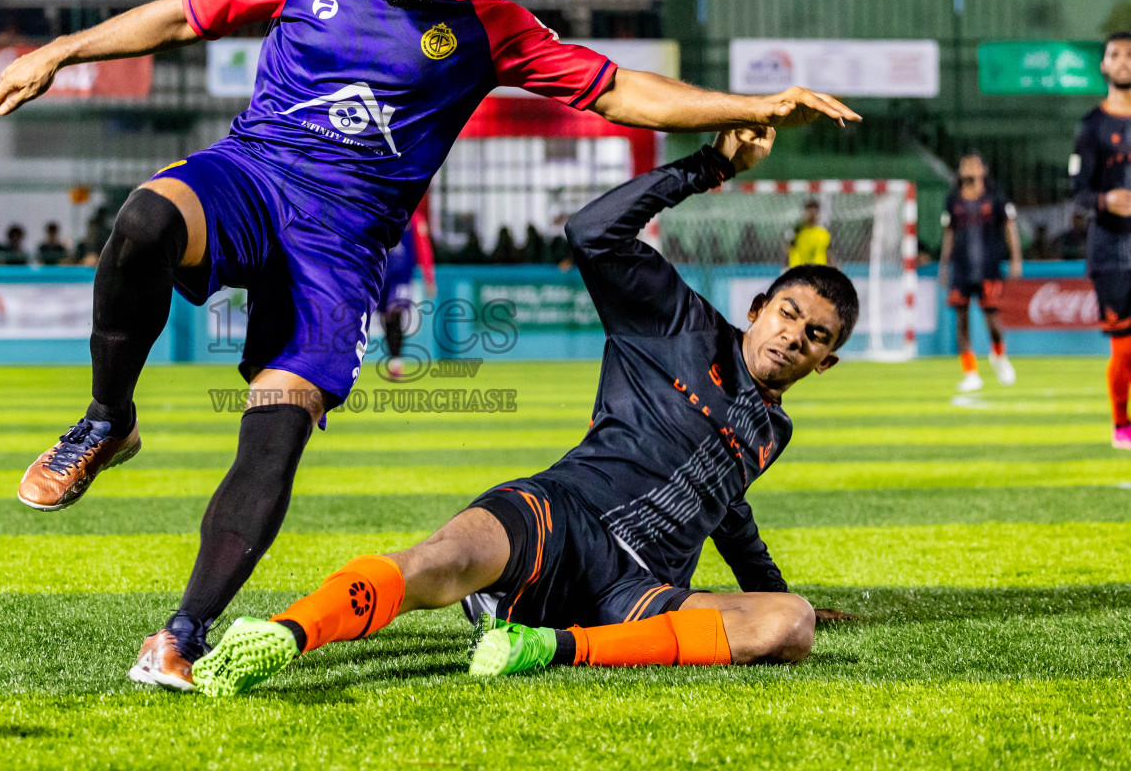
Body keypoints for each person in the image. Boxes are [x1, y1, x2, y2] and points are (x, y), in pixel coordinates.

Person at [0, 0, 859, 689]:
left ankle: (183, 633)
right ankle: (107, 420)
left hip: (342, 243)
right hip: (254, 174)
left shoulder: (487, 26)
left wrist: (749, 104)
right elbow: (182, 16)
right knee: (142, 222)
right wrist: (59, 50)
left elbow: (619, 88)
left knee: (274, 436)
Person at [192, 128, 857, 695]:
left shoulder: (773, 430)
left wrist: (770, 589)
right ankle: (283, 634)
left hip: (638, 591)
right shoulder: (678, 323)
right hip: (564, 514)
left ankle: (544, 646)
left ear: (824, 361)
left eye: (816, 335)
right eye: (788, 314)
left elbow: (728, 512)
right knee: (443, 560)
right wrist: (709, 165)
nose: (794, 335)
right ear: (757, 309)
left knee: (788, 623)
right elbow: (593, 231)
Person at [1071, 31, 1131, 448]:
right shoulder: (1091, 127)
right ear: (1103, 65)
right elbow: (1077, 193)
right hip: (1110, 250)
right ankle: (1121, 426)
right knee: (1124, 348)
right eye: (1116, 54)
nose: (1124, 61)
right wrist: (1106, 200)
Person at [939, 152, 1021, 393]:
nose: (969, 169)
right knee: (961, 322)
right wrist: (944, 265)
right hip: (961, 270)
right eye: (965, 165)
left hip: (988, 267)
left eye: (974, 165)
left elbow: (1009, 227)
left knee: (992, 320)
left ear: (983, 169)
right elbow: (949, 234)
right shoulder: (953, 200)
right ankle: (970, 372)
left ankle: (999, 355)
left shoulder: (995, 197)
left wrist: (1016, 258)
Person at [379, 200, 435, 380]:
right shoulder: (379, 218)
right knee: (385, 318)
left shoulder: (416, 220)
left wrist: (429, 278)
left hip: (402, 276)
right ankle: (393, 359)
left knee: (395, 313)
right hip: (381, 275)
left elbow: (423, 248)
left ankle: (396, 364)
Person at [785, 199, 831, 266]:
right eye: (809, 212)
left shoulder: (824, 233)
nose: (812, 215)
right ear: (804, 213)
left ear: (818, 214)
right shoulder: (797, 230)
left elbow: (828, 254)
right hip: (799, 270)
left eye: (814, 212)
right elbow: (787, 249)